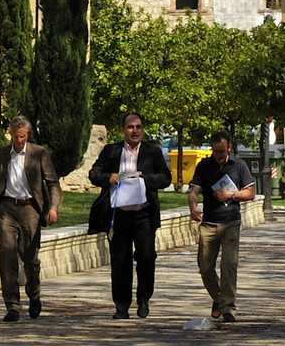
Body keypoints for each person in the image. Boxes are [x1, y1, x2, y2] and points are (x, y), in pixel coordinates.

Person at [88, 111, 173, 320]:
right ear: (123, 130)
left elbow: (165, 178)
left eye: (138, 127)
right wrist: (109, 177)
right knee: (120, 261)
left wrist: (144, 179)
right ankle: (121, 306)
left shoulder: (152, 153)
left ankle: (143, 300)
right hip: (119, 215)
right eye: (131, 127)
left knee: (145, 257)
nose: (135, 131)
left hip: (143, 214)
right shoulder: (111, 151)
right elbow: (93, 174)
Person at [0, 112, 60, 322]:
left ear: (27, 135)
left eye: (23, 136)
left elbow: (53, 183)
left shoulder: (38, 153)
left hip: (30, 209)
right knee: (7, 257)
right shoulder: (1, 154)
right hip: (7, 208)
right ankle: (12, 306)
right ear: (11, 135)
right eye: (17, 136)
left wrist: (53, 207)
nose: (20, 140)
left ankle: (34, 295)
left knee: (30, 258)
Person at [188, 130, 256, 322]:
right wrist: (193, 205)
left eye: (222, 151)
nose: (218, 155)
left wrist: (231, 195)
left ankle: (228, 309)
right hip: (209, 223)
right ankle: (219, 298)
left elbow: (250, 193)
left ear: (229, 148)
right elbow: (194, 191)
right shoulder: (204, 166)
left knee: (229, 265)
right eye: (215, 151)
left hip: (231, 222)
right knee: (205, 267)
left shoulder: (239, 166)